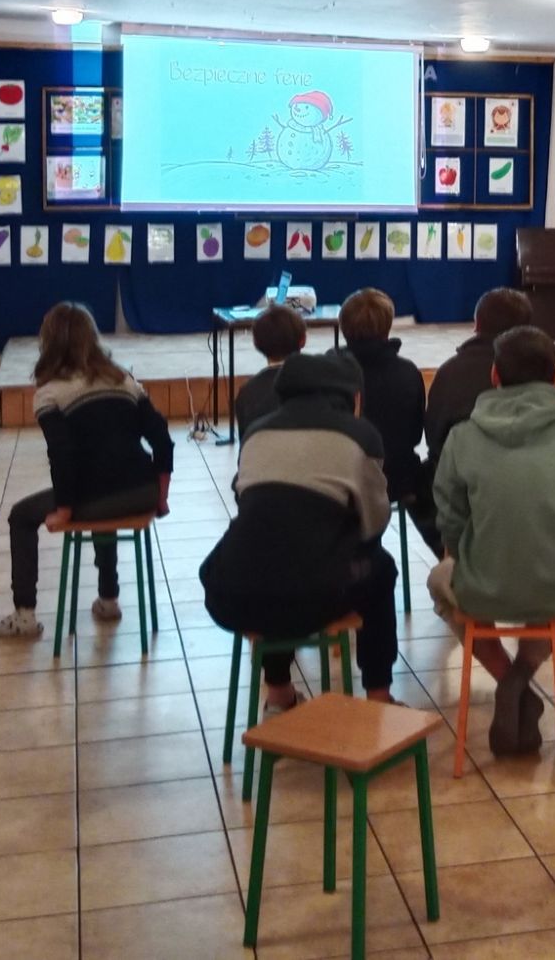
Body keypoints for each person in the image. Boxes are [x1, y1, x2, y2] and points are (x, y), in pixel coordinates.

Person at [431, 326, 555, 754]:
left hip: (480, 589)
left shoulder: (462, 438)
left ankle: (506, 677)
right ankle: (522, 677)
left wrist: (465, 558)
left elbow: (450, 520)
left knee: (439, 581)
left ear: (494, 375)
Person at [200, 351, 403, 709]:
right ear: (353, 397)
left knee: (273, 554)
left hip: (228, 597)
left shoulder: (258, 432)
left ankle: (279, 691)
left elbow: (247, 503)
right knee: (380, 568)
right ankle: (379, 695)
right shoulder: (360, 435)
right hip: (313, 600)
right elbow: (374, 523)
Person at [0, 304, 175, 638]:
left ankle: (25, 614)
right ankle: (108, 598)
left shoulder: (49, 393)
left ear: (47, 343)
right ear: (92, 339)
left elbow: (62, 455)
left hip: (97, 495)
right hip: (143, 492)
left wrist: (64, 509)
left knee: (21, 516)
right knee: (103, 487)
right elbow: (163, 440)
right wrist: (161, 497)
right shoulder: (124, 380)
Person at [422, 287, 534, 552]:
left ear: (477, 325)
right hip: (525, 488)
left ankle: (452, 554)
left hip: (460, 490)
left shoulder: (450, 371)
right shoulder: (535, 370)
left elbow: (433, 439)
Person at [340, 287, 428, 506]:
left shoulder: (328, 372)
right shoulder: (408, 372)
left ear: (343, 327)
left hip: (341, 479)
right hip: (397, 478)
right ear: (387, 327)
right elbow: (416, 434)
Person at [236, 303, 306, 435]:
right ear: (303, 340)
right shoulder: (322, 383)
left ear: (256, 344)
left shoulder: (247, 393)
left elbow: (246, 442)